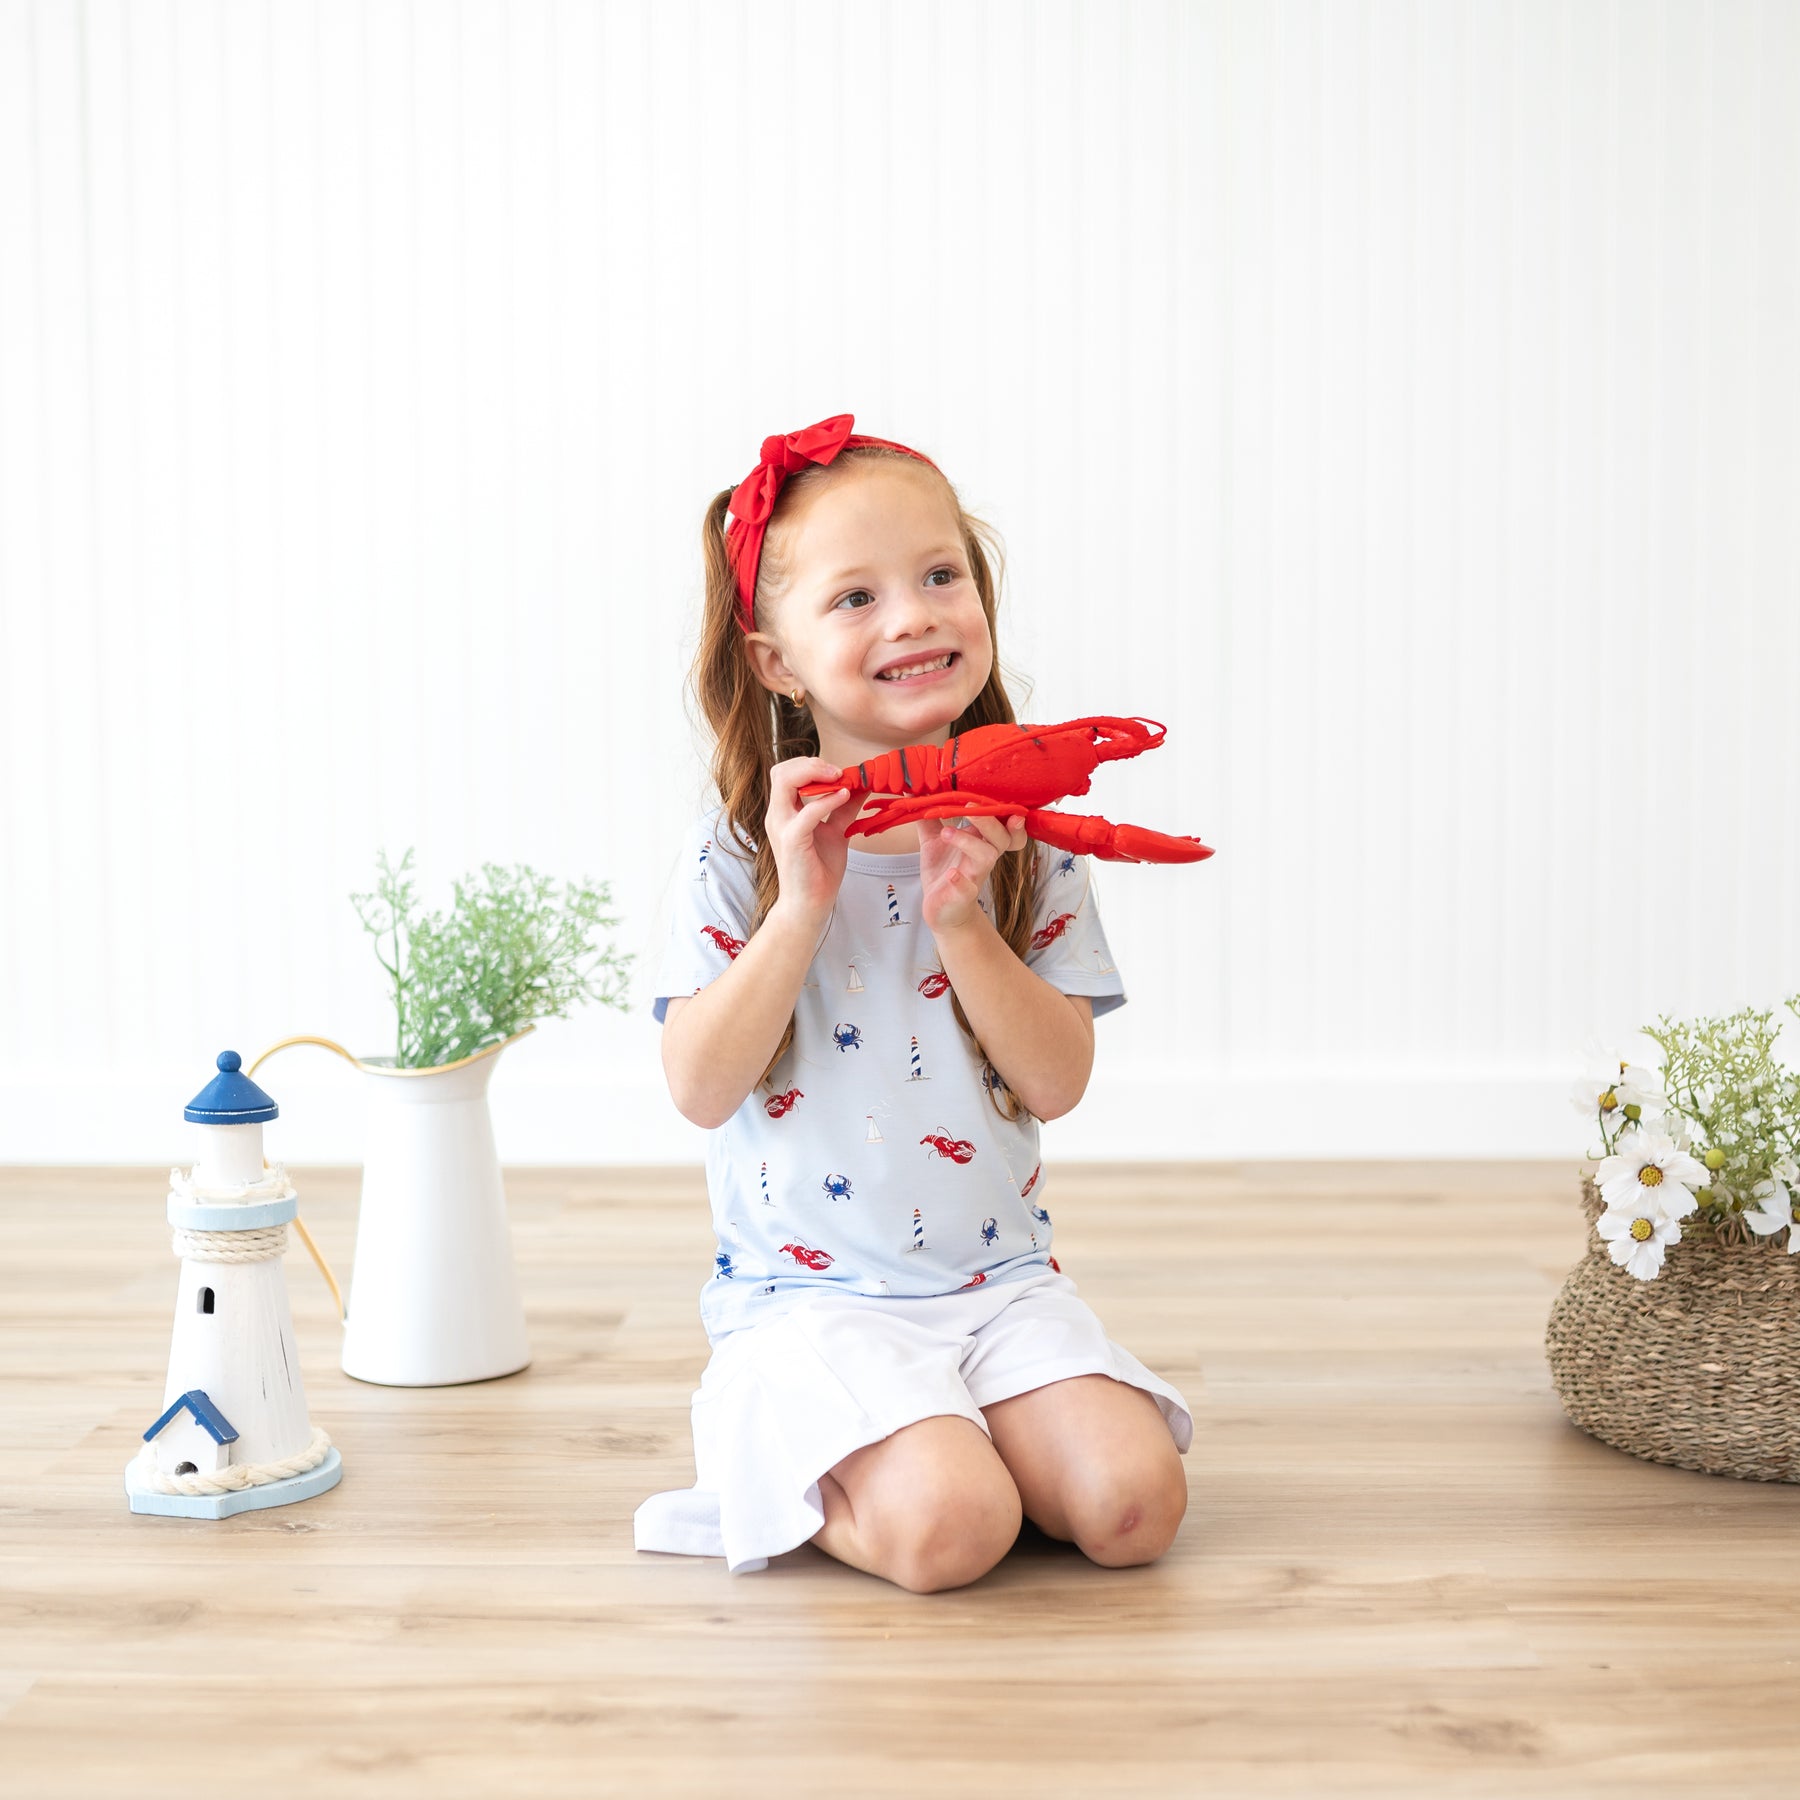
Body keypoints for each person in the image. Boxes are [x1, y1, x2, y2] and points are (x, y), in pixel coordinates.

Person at [632, 413, 1193, 1592]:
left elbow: (1057, 1082)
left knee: (1135, 1505)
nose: (915, 614)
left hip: (1001, 1285)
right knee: (952, 1532)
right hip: (812, 1299)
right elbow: (697, 1088)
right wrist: (799, 908)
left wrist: (962, 921)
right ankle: (772, 1451)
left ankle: (949, 1427)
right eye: (856, 597)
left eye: (942, 575)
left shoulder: (1028, 842)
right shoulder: (736, 853)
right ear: (775, 660)